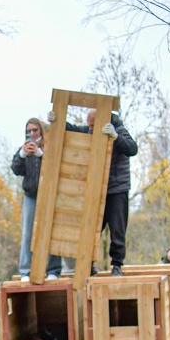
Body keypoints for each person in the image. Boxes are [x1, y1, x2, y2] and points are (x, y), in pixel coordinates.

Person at [49, 107, 138, 276]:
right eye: (88, 125)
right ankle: (88, 264)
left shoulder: (118, 129)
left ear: (103, 121)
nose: (89, 128)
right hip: (97, 189)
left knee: (117, 230)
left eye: (92, 125)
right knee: (90, 228)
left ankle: (117, 265)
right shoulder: (90, 130)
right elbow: (73, 130)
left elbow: (132, 149)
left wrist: (116, 137)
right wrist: (57, 121)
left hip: (117, 189)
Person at [11, 118, 62, 282]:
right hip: (31, 196)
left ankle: (53, 270)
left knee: (52, 232)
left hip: (49, 195)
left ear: (41, 130)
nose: (32, 133)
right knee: (27, 233)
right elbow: (16, 169)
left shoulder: (49, 148)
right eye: (29, 131)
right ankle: (25, 271)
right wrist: (22, 154)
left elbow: (54, 167)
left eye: (35, 130)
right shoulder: (24, 149)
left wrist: (40, 155)